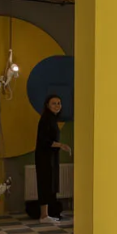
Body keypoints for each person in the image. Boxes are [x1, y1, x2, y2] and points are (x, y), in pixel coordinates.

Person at [35, 94, 71, 224]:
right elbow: (44, 140)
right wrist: (61, 145)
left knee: (50, 183)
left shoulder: (52, 119)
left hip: (51, 156)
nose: (57, 106)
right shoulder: (46, 119)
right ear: (47, 105)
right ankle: (44, 215)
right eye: (54, 103)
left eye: (59, 103)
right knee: (45, 183)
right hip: (44, 157)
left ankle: (48, 213)